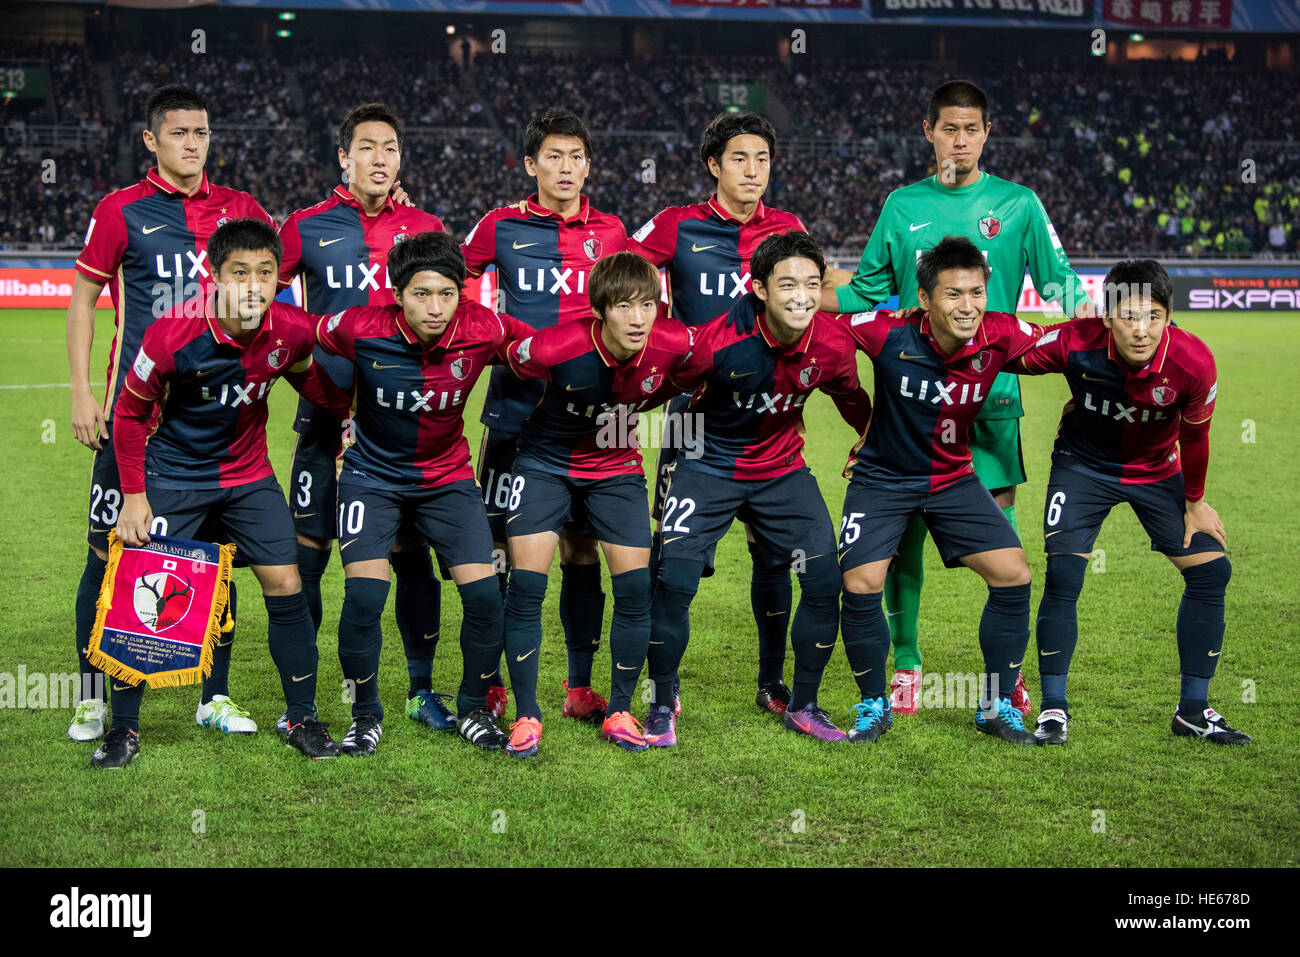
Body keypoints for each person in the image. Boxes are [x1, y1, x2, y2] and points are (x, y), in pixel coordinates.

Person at [821, 80, 1094, 718]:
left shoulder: (1019, 205)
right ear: (929, 131)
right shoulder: (901, 205)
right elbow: (865, 293)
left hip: (992, 398)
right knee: (905, 532)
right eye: (949, 128)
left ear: (986, 133)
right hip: (914, 402)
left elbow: (1061, 285)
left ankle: (1004, 679)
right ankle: (908, 663)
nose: (960, 139)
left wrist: (1108, 325)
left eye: (971, 128)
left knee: (998, 538)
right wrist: (797, 294)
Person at [102, 219, 350, 768]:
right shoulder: (173, 332)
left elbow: (309, 379)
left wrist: (342, 410)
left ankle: (301, 718)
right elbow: (127, 415)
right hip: (175, 478)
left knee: (286, 584)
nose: (255, 285)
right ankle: (122, 729)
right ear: (213, 277)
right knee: (144, 602)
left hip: (248, 478)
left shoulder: (289, 329)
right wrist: (136, 497)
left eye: (266, 274)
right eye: (240, 273)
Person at [68, 85, 274, 743]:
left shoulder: (239, 209)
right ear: (151, 141)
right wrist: (81, 392)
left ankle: (213, 696)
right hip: (135, 417)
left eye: (203, 132)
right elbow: (82, 301)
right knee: (109, 555)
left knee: (214, 559)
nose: (194, 143)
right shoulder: (121, 210)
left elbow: (288, 261)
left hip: (214, 425)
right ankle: (94, 698)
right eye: (180, 132)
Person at [642, 231, 871, 747]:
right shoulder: (716, 341)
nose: (801, 296)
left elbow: (851, 395)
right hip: (707, 463)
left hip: (781, 470)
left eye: (813, 284)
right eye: (788, 283)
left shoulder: (832, 343)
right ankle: (661, 702)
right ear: (760, 288)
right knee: (674, 579)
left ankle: (800, 702)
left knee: (821, 579)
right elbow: (661, 389)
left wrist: (867, 438)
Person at [1009, 259, 1249, 745]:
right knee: (1065, 573)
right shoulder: (1076, 341)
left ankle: (1193, 710)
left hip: (1157, 471)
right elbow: (1010, 351)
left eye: (1154, 316)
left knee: (1210, 570)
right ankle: (1054, 708)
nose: (1141, 331)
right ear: (1106, 316)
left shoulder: (1192, 362)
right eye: (1129, 317)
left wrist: (1195, 502)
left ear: (1169, 316)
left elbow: (1197, 438)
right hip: (1081, 466)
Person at [313, 232, 526, 754]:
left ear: (464, 293)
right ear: (396, 294)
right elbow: (297, 335)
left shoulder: (486, 327)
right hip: (371, 477)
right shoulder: (359, 326)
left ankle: (474, 707)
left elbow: (548, 350)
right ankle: (365, 715)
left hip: (447, 480)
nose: (436, 308)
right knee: (364, 595)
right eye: (422, 295)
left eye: (447, 294)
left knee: (482, 593)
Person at [277, 103, 453, 733]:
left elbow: (449, 309)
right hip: (327, 416)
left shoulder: (427, 228)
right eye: (367, 148)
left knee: (410, 554)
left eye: (391, 148)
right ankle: (304, 696)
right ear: (344, 157)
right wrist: (307, 350)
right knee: (310, 551)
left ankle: (421, 688)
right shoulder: (306, 226)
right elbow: (268, 298)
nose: (380, 159)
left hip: (405, 425)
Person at [628, 111, 807, 717]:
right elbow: (620, 275)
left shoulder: (787, 229)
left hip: (768, 414)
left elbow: (810, 299)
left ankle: (771, 680)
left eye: (762, 158)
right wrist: (675, 338)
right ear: (714, 165)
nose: (753, 170)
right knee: (674, 560)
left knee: (774, 555)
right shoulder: (678, 226)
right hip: (694, 411)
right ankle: (664, 689)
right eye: (739, 158)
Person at [834, 236, 1044, 747]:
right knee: (860, 581)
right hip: (882, 478)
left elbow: (1068, 348)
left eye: (976, 293)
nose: (967, 306)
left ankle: (995, 704)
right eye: (952, 295)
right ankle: (871, 705)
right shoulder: (886, 332)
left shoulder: (1001, 334)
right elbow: (819, 328)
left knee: (1013, 574)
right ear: (924, 300)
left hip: (952, 479)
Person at [498, 252, 701, 757]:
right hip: (543, 462)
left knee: (635, 588)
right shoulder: (555, 347)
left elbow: (709, 360)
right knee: (526, 585)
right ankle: (527, 715)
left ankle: (619, 710)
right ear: (600, 310)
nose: (638, 318)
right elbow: (504, 350)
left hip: (615, 466)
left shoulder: (672, 341)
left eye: (648, 305)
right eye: (624, 306)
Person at [462, 107, 628, 724]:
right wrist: (500, 337)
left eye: (577, 157)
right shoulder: (500, 226)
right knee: (504, 548)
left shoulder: (610, 232)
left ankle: (579, 686)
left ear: (588, 164)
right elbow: (454, 283)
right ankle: (495, 681)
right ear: (531, 165)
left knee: (582, 550)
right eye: (553, 157)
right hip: (515, 412)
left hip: (593, 418)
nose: (566, 168)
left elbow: (637, 300)